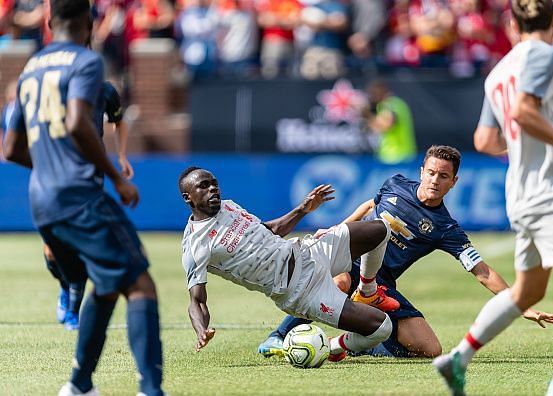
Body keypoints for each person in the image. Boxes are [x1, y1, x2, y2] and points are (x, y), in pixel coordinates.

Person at [258, 145, 553, 358]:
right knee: (340, 283)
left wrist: (522, 306)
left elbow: (482, 272)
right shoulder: (395, 184)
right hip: (350, 261)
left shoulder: (446, 228)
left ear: (453, 182)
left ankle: (355, 346)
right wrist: (338, 229)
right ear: (422, 170)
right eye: (431, 173)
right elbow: (369, 206)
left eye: (443, 176)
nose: (435, 180)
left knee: (429, 349)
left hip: (382, 284)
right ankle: (279, 335)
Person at [2, 0, 164, 394]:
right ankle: (152, 390)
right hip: (79, 195)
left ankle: (78, 385)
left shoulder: (31, 69)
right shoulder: (86, 63)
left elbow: (9, 149)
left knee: (108, 287)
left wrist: (50, 166)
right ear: (89, 24)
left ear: (47, 20)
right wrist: (116, 177)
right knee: (141, 286)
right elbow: (77, 122)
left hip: (41, 201)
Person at [433, 1, 553, 395]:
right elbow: (524, 111)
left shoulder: (498, 71)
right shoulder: (546, 54)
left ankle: (458, 358)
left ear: (511, 22)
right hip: (546, 191)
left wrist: (524, 142)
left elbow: (485, 140)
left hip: (519, 194)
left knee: (528, 292)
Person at [179, 167, 401, 361]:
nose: (213, 189)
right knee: (382, 328)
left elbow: (270, 231)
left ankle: (368, 290)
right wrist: (201, 330)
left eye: (214, 184)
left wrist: (303, 208)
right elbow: (197, 301)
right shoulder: (195, 245)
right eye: (204, 186)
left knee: (380, 229)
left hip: (309, 252)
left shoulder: (229, 206)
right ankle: (333, 347)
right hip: (302, 292)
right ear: (188, 197)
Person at [46, 80, 135, 331]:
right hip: (55, 174)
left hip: (89, 176)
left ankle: (73, 310)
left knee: (82, 242)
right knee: (52, 250)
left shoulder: (105, 91)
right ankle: (65, 287)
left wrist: (121, 156)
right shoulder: (51, 87)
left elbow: (119, 121)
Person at [362, 79, 417, 164]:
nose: (372, 96)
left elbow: (387, 125)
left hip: (397, 156)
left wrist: (368, 115)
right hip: (390, 156)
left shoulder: (391, 104)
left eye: (374, 93)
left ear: (382, 91)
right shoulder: (385, 105)